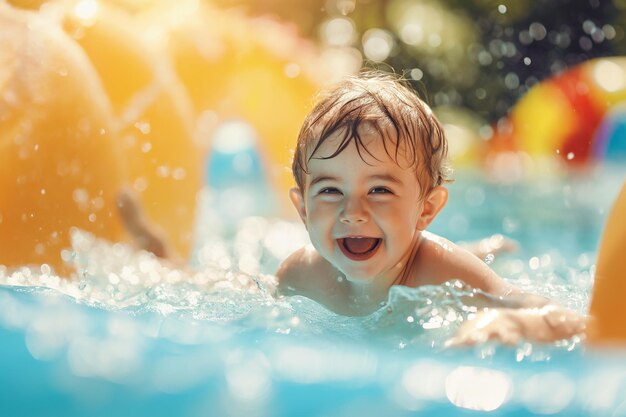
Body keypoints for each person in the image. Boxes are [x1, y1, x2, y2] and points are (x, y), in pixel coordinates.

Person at [118, 71, 586, 345]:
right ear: (301, 209)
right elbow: (225, 302)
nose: (352, 212)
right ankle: (157, 249)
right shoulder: (304, 274)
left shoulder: (447, 273)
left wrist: (508, 320)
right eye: (329, 192)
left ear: (427, 209)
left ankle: (482, 247)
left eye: (379, 190)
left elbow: (578, 321)